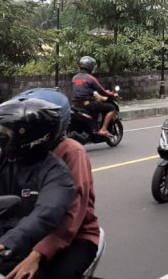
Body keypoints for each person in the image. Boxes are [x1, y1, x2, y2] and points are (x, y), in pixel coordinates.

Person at [6, 89, 100, 279]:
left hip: (74, 236)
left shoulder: (72, 153)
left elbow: (71, 215)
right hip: (28, 231)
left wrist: (38, 254)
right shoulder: (18, 152)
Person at [0, 98, 74, 277]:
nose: (0, 137)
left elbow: (46, 212)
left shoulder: (56, 172)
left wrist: (7, 242)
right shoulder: (1, 161)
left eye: (6, 132)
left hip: (26, 248)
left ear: (28, 135)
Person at [71, 56, 118, 136]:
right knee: (111, 108)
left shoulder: (74, 78)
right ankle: (103, 129)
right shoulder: (90, 78)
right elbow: (102, 91)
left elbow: (85, 90)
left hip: (76, 105)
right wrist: (112, 95)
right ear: (90, 66)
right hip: (88, 104)